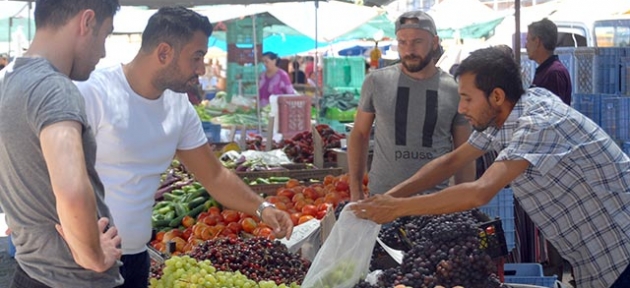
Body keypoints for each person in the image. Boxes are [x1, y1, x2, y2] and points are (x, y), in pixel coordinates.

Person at [352, 46, 630, 288]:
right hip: (594, 257)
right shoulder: (506, 114)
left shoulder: (539, 124)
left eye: (468, 98)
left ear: (496, 96)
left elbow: (480, 192)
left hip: (619, 251)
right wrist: (391, 197)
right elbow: (451, 161)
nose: (461, 108)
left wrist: (397, 208)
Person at [75, 7, 293, 288]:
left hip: (135, 259)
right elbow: (50, 174)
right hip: (82, 263)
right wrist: (79, 243)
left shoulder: (179, 107)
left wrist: (263, 208)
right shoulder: (93, 93)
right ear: (164, 53)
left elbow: (214, 176)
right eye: (197, 57)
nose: (202, 69)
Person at [0, 1, 124, 287]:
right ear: (87, 22)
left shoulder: (8, 82)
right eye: (105, 36)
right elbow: (70, 190)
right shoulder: (54, 88)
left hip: (31, 271)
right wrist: (93, 255)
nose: (103, 52)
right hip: (74, 279)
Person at [348, 10, 476, 202]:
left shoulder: (454, 89)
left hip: (433, 204)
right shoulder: (376, 82)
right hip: (382, 200)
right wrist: (356, 189)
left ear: (434, 42)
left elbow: (464, 152)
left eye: (417, 41)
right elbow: (359, 134)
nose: (409, 50)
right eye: (402, 42)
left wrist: (465, 202)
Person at [526, 18, 572, 105]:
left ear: (537, 41)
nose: (526, 45)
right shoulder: (545, 71)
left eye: (527, 40)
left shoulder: (554, 73)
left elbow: (554, 113)